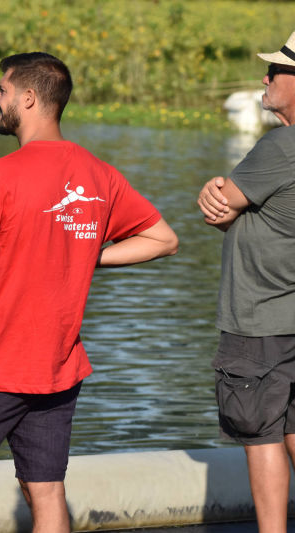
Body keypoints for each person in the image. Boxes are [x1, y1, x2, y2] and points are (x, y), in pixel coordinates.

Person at [0, 52, 179, 533]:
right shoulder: (99, 174)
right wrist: (83, 251)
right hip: (58, 368)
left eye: (2, 90)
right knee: (45, 490)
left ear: (28, 98)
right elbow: (163, 239)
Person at [197, 32, 295, 533]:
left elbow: (221, 203)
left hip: (259, 322)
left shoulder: (280, 146)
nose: (265, 78)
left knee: (261, 436)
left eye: (275, 71)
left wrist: (214, 191)